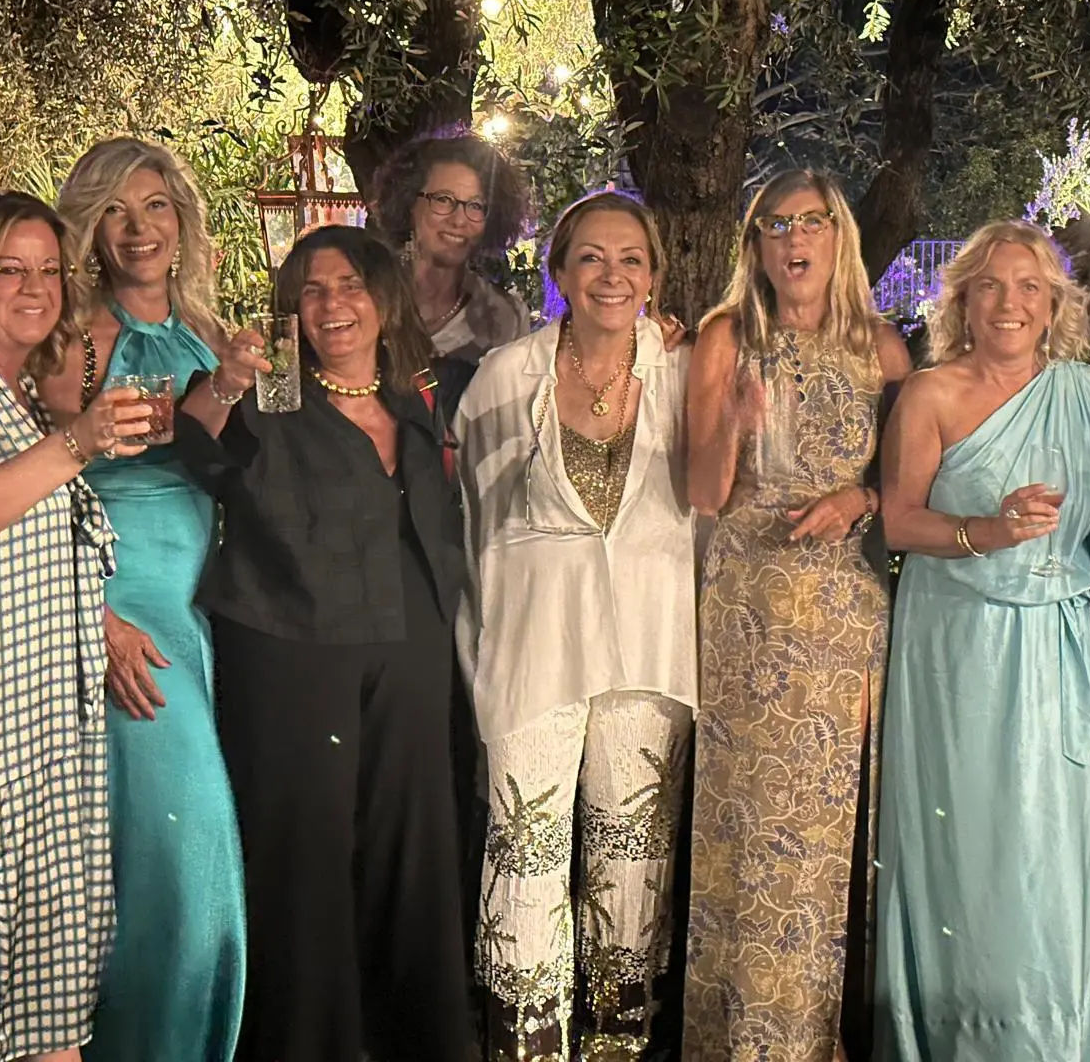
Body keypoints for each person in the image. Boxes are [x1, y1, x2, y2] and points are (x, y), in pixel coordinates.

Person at [175, 225, 474, 1062]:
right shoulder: (267, 396)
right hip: (292, 646)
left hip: (411, 645)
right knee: (305, 850)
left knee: (413, 843)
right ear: (292, 311)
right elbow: (195, 446)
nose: (333, 304)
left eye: (349, 285)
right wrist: (225, 381)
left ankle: (415, 1040)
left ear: (383, 298)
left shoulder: (421, 396)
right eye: (311, 290)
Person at [453, 191, 696, 1060]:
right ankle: (526, 1046)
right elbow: (473, 525)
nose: (611, 275)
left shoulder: (684, 374)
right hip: (532, 643)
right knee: (525, 850)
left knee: (634, 859)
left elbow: (711, 510)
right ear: (557, 271)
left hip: (652, 647)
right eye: (590, 256)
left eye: (631, 258)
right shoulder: (504, 376)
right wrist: (481, 646)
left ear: (654, 275)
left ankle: (618, 1044)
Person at [683, 169, 913, 1062]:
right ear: (756, 244)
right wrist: (735, 424)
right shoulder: (726, 336)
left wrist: (860, 496)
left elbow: (910, 481)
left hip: (845, 615)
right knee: (748, 820)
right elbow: (704, 493)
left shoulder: (883, 349)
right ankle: (740, 1034)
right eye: (774, 226)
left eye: (808, 222)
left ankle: (819, 1035)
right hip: (749, 609)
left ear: (838, 235)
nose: (792, 240)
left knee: (827, 825)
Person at [871, 220, 1090, 1061]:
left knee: (1048, 843)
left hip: (1054, 643)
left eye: (1029, 287)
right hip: (955, 645)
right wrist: (990, 531)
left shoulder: (1086, 392)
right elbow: (899, 521)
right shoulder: (930, 393)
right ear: (964, 301)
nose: (1010, 303)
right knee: (966, 840)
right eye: (991, 286)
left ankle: (1054, 1039)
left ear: (1053, 305)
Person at [0, 192, 152, 1061]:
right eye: (8, 269)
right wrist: (78, 443)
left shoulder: (15, 391)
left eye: (49, 270)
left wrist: (101, 618)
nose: (34, 287)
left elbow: (27, 542)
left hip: (37, 729)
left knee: (40, 991)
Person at [36, 137, 246, 1062]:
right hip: (121, 606)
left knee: (160, 842)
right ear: (90, 229)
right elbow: (37, 491)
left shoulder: (205, 330)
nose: (137, 229)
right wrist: (95, 619)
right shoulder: (76, 340)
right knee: (178, 842)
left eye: (155, 206)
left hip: (198, 608)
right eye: (115, 212)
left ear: (181, 219)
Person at [372, 133, 533, 377]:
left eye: (476, 205)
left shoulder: (507, 318)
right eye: (444, 199)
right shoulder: (365, 295)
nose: (459, 220)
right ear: (408, 203)